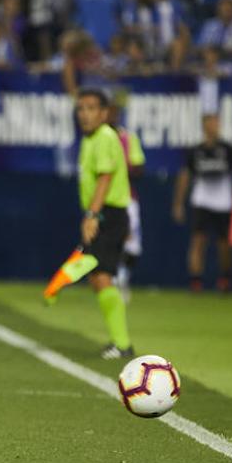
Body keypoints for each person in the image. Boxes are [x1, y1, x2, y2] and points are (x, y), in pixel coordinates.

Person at [75, 88, 134, 359]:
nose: (84, 114)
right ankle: (119, 342)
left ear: (103, 113)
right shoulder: (90, 139)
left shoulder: (106, 137)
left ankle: (122, 344)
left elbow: (105, 179)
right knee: (97, 277)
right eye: (81, 108)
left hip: (109, 214)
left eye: (90, 108)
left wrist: (92, 216)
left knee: (102, 276)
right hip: (103, 213)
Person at [172, 113, 232, 292]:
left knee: (224, 244)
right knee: (198, 241)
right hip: (202, 201)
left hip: (223, 203)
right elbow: (185, 176)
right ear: (204, 125)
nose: (215, 125)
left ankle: (225, 279)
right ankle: (196, 281)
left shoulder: (228, 149)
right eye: (212, 122)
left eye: (217, 122)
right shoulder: (195, 150)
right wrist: (178, 203)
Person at [107, 99, 145, 300]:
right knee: (107, 243)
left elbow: (139, 168)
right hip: (104, 200)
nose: (112, 116)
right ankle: (110, 281)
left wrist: (121, 167)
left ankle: (122, 277)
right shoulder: (98, 139)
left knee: (133, 245)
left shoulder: (128, 138)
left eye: (115, 112)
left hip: (127, 199)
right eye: (109, 112)